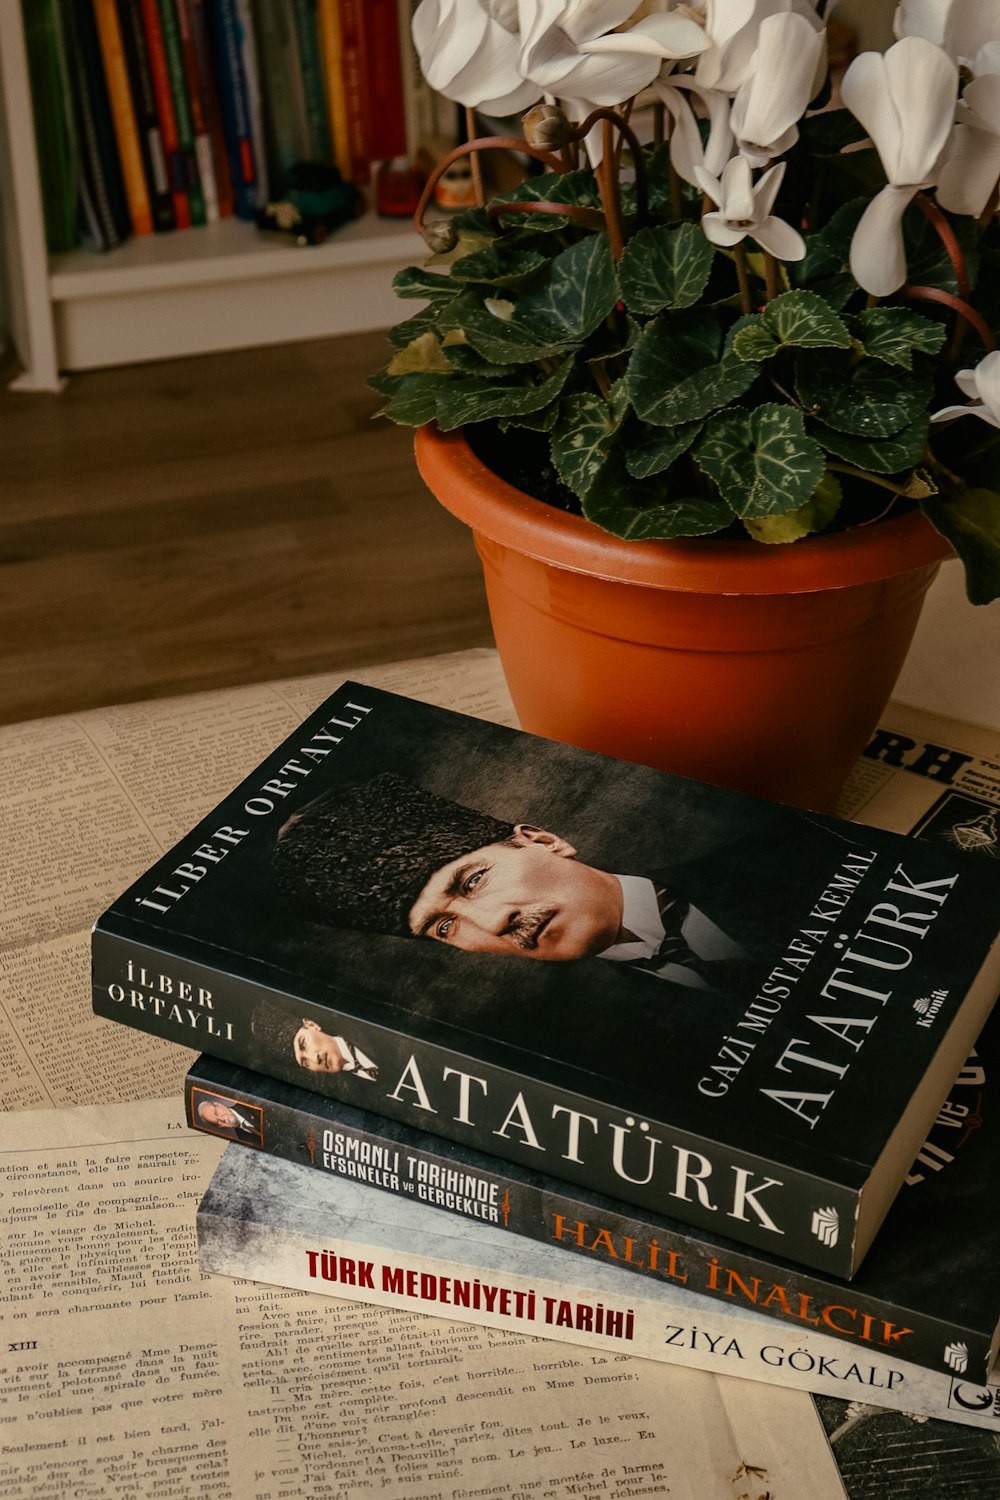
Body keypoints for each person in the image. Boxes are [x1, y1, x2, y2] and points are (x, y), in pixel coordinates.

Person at [270, 772, 747, 992]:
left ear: (542, 839)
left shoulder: (774, 859)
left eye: (473, 881)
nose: (493, 922)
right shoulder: (590, 1051)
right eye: (442, 927)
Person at [249, 1000, 379, 1078]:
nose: (314, 1059)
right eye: (305, 1062)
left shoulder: (368, 1028)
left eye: (303, 1043)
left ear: (311, 1025)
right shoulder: (348, 1093)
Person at [196, 1096, 263, 1143]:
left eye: (216, 1113)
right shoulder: (243, 1139)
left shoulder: (250, 1103)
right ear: (221, 1127)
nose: (222, 1119)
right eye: (218, 1122)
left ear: (218, 1104)